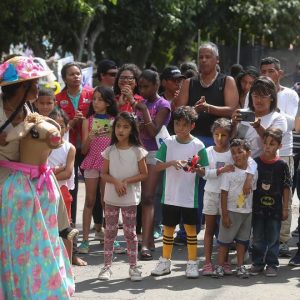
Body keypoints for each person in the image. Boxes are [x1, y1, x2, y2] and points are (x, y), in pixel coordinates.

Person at [0, 56, 74, 298]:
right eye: (33, 84)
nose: (37, 87)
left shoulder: (28, 109)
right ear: (22, 87)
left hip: (30, 183)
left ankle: (38, 286)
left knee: (36, 242)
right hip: (5, 186)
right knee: (11, 245)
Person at [174, 41, 239, 245]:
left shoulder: (226, 81)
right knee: (189, 188)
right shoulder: (189, 83)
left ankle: (221, 234)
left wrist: (209, 108)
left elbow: (233, 110)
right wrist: (194, 110)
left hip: (218, 143)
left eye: (207, 56)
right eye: (200, 57)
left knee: (218, 187)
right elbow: (181, 111)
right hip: (193, 142)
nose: (203, 60)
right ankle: (186, 233)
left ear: (217, 60)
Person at [151, 106, 208, 279]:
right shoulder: (168, 142)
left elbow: (204, 171)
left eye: (185, 124)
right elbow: (157, 166)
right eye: (177, 124)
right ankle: (165, 261)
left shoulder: (198, 145)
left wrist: (195, 168)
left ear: (192, 126)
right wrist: (172, 162)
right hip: (170, 196)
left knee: (190, 230)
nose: (180, 128)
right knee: (168, 229)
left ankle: (192, 263)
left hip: (190, 198)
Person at [98, 112, 148, 281]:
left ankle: (133, 267)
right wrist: (116, 182)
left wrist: (126, 181)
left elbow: (144, 174)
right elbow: (103, 174)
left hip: (129, 199)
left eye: (126, 127)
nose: (121, 130)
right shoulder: (109, 150)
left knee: (130, 233)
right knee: (110, 232)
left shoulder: (138, 151)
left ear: (132, 129)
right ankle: (106, 267)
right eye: (118, 126)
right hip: (111, 197)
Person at [259, 57, 299, 257]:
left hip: (283, 153)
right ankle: (258, 239)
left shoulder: (290, 94)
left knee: (284, 197)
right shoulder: (254, 93)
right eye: (263, 71)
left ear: (280, 73)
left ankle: (282, 240)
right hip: (260, 153)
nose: (266, 75)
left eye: (271, 71)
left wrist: (272, 111)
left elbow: (292, 124)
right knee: (261, 196)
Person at [56, 62, 93, 266]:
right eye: (71, 74)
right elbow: (56, 126)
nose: (75, 77)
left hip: (88, 148)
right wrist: (71, 123)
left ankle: (80, 243)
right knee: (71, 195)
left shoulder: (90, 93)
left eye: (78, 73)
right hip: (66, 150)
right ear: (64, 77)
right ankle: (69, 246)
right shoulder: (56, 99)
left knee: (90, 194)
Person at [134, 69, 171, 260]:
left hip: (155, 153)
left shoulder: (163, 105)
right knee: (140, 199)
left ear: (157, 85)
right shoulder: (141, 104)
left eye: (146, 86)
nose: (142, 90)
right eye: (140, 86)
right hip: (138, 153)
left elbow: (152, 132)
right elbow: (137, 129)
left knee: (148, 197)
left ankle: (147, 243)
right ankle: (143, 239)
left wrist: (144, 111)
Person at [78, 86, 118, 254]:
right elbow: (84, 150)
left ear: (108, 102)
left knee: (106, 201)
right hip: (92, 163)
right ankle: (85, 240)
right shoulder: (88, 121)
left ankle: (110, 239)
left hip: (108, 164)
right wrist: (90, 137)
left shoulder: (114, 120)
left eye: (100, 99)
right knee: (89, 201)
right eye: (94, 99)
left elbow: (118, 145)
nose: (95, 102)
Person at [212, 139, 257, 279]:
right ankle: (219, 266)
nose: (236, 155)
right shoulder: (229, 171)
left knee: (242, 241)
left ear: (248, 153)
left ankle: (240, 266)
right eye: (233, 153)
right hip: (231, 212)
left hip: (246, 212)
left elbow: (252, 191)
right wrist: (224, 215)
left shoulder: (253, 172)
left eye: (240, 152)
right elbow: (223, 194)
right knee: (224, 241)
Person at [250, 128, 291, 277]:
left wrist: (285, 208)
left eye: (272, 144)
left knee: (273, 237)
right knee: (258, 236)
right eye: (265, 143)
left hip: (275, 209)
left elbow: (287, 187)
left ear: (279, 146)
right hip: (257, 208)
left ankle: (272, 264)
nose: (268, 146)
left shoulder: (282, 165)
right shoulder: (255, 163)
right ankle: (258, 263)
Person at [202, 118, 235, 276]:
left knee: (225, 229)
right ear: (212, 134)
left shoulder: (233, 153)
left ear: (230, 135)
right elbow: (204, 174)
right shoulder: (207, 151)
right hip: (210, 193)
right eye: (217, 134)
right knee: (209, 229)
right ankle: (208, 262)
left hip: (227, 196)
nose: (219, 138)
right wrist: (221, 171)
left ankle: (225, 261)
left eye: (223, 135)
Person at [232, 76, 287, 159]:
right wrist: (233, 124)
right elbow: (230, 139)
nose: (259, 100)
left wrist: (258, 127)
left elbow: (272, 142)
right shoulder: (242, 114)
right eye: (256, 96)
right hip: (241, 166)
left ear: (272, 97)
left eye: (263, 96)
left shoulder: (278, 119)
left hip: (265, 167)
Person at [48, 107, 77, 262]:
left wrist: (48, 172)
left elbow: (68, 173)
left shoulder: (69, 148)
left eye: (61, 125)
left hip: (63, 191)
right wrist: (56, 169)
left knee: (66, 229)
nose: (58, 129)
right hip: (45, 191)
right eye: (53, 125)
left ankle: (68, 261)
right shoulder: (43, 146)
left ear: (67, 127)